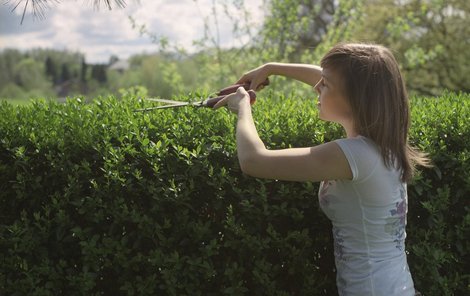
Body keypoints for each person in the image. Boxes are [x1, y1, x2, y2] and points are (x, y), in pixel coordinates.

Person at [214, 43, 430, 296]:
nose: (317, 86)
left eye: (325, 85)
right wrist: (271, 68)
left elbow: (254, 161)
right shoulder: (383, 143)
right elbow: (330, 79)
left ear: (355, 98)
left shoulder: (354, 155)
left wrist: (242, 108)